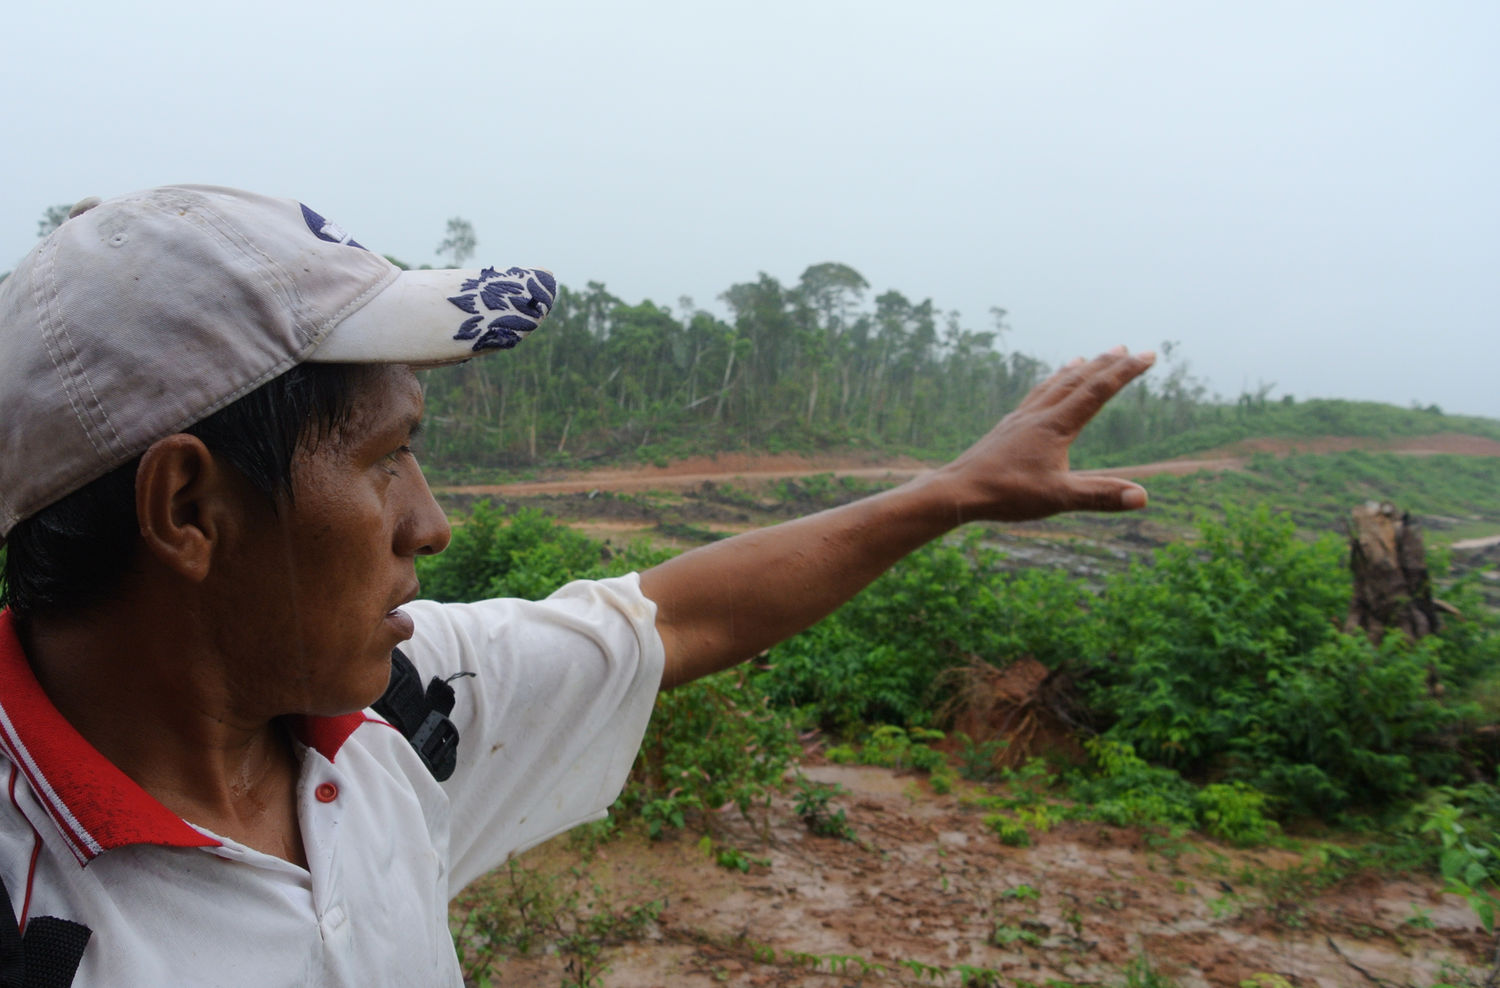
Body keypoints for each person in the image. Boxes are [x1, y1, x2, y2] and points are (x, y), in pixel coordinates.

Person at [0, 185, 1153, 985]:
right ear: (190, 511)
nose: (431, 522)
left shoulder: (400, 711)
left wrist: (949, 493)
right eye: (381, 458)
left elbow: (672, 613)